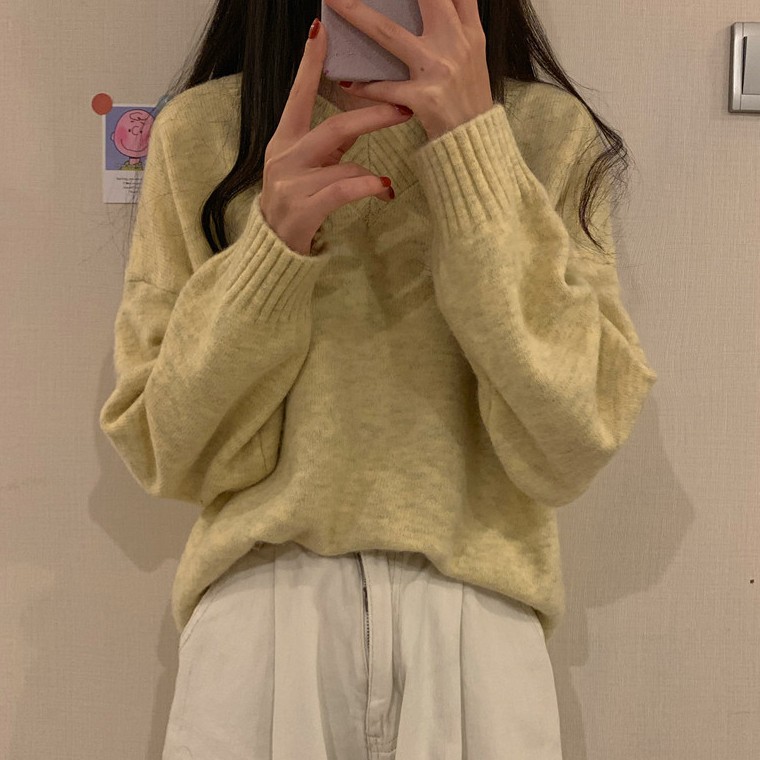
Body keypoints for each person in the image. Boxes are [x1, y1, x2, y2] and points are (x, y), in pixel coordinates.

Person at [99, 2, 658, 758]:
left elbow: (576, 434)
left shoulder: (544, 135)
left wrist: (476, 157)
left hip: (479, 619)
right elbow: (168, 452)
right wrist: (270, 250)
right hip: (262, 618)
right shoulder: (206, 132)